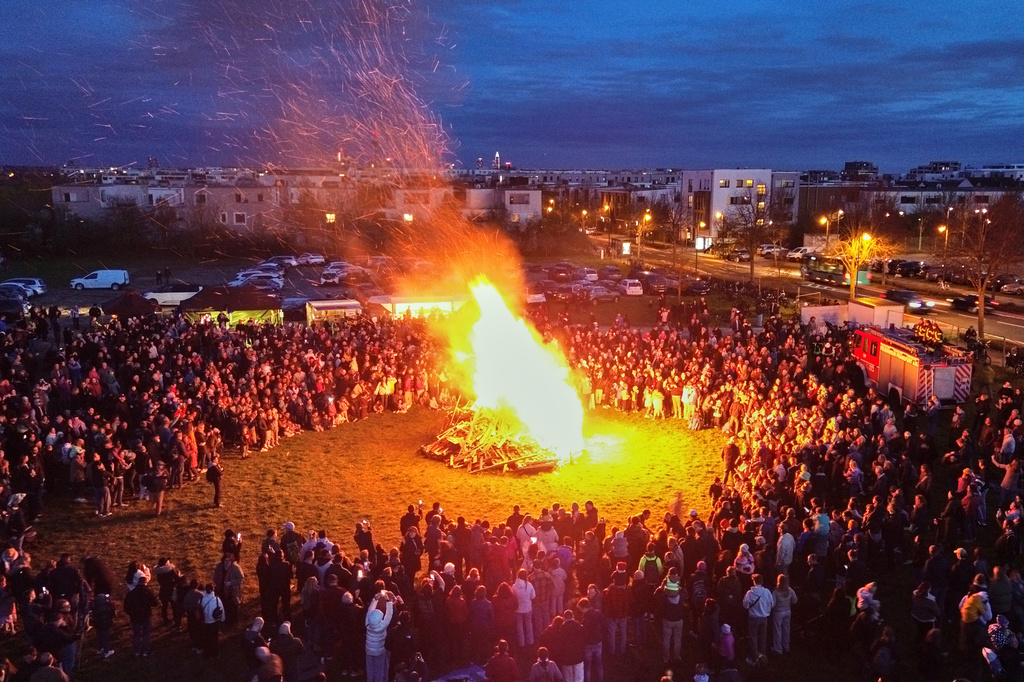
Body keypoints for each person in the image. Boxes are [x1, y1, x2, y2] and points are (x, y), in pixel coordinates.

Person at [123, 575, 159, 658]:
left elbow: (126, 607)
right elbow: (155, 604)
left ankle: (136, 652)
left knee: (136, 635)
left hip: (135, 617)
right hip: (146, 616)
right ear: (145, 583)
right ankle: (146, 651)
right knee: (146, 635)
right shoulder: (148, 592)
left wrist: (131, 614)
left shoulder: (131, 593)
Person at [742, 574, 774, 663]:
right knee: (763, 637)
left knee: (753, 638)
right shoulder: (767, 592)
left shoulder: (750, 593)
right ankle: (763, 657)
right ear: (762, 581)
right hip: (764, 618)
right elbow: (772, 603)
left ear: (753, 581)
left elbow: (745, 605)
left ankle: (755, 658)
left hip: (753, 617)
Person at [365, 591, 396, 682]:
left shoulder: (367, 624)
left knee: (369, 669)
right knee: (379, 670)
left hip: (369, 650)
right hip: (380, 651)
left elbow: (369, 611)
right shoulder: (382, 626)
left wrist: (375, 599)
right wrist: (388, 601)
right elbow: (389, 614)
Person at [769, 574, 796, 655]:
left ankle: (778, 648)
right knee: (786, 629)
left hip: (778, 612)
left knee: (778, 630)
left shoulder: (776, 592)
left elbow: (772, 604)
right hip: (787, 611)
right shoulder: (790, 590)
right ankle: (786, 646)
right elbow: (795, 600)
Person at [198, 583, 226, 658]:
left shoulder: (201, 599)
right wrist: (222, 619)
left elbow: (199, 608)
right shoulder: (217, 599)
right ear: (213, 590)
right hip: (214, 622)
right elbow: (222, 609)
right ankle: (215, 653)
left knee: (206, 638)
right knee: (214, 638)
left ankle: (206, 653)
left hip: (205, 622)